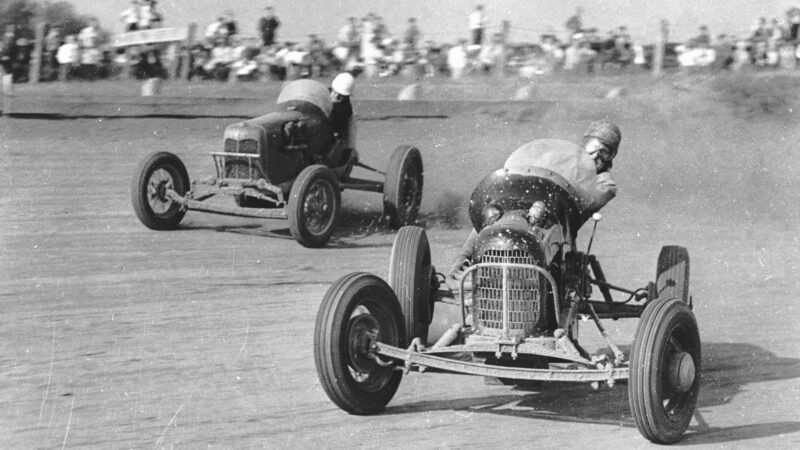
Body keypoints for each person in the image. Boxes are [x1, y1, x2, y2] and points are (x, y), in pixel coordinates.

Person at [448, 120, 621, 277]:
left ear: (611, 157)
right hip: (530, 204)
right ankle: (462, 260)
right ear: (584, 145)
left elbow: (590, 199)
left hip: (558, 222)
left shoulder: (606, 183)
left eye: (605, 152)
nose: (596, 155)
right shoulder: (563, 157)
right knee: (494, 216)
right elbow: (533, 169)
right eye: (593, 146)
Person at [329, 72, 354, 142]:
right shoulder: (325, 93)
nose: (336, 96)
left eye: (341, 96)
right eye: (334, 92)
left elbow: (337, 132)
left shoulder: (344, 110)